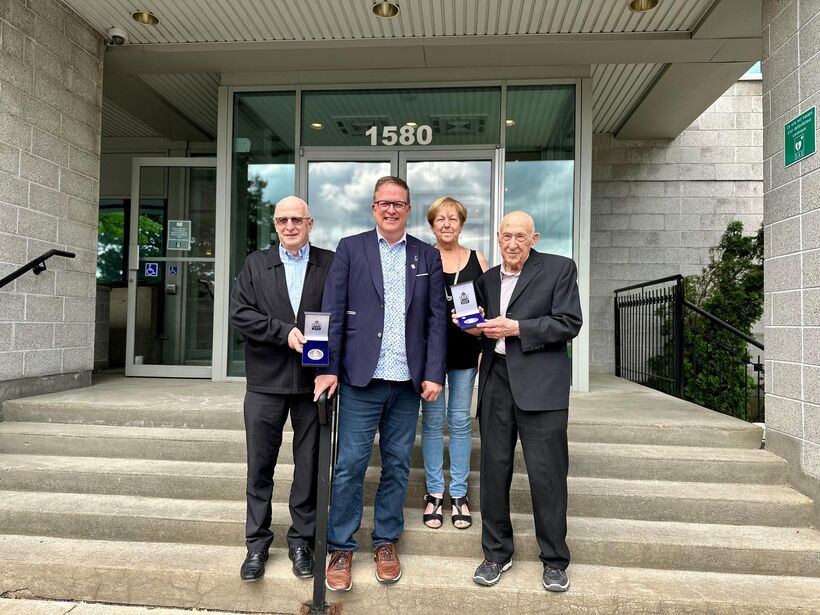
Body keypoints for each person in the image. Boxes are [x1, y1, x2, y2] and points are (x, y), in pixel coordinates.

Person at [314, 176, 447, 592]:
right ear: (374, 208)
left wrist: (433, 372)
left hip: (407, 382)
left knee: (398, 465)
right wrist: (328, 366)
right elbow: (331, 310)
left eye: (399, 204)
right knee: (350, 464)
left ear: (408, 209)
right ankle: (341, 546)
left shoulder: (427, 256)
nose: (391, 210)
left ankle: (386, 541)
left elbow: (436, 319)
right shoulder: (351, 248)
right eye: (384, 203)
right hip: (360, 378)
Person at [463, 211, 582, 592]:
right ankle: (496, 553)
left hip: (541, 385)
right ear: (497, 238)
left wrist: (517, 328)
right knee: (494, 473)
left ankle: (554, 560)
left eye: (520, 237)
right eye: (506, 237)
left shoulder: (559, 269)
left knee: (547, 475)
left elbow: (569, 323)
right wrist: (467, 325)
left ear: (534, 238)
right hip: (496, 380)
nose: (512, 244)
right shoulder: (485, 279)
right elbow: (478, 327)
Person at [229, 196, 334, 582]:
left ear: (310, 223)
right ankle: (256, 545)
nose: (290, 226)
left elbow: (342, 314)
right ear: (275, 225)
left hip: (313, 382)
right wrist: (283, 332)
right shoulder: (256, 263)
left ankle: (301, 542)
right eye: (282, 220)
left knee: (308, 467)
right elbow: (240, 314)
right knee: (260, 467)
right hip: (265, 383)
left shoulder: (330, 262)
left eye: (297, 219)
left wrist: (333, 366)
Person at [421, 196, 487, 530]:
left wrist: (484, 335)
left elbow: (492, 303)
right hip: (430, 357)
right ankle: (434, 492)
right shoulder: (421, 256)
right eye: (440, 219)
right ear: (432, 224)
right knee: (432, 424)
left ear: (461, 223)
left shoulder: (477, 258)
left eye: (453, 218)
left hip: (465, 353)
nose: (447, 224)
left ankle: (459, 494)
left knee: (460, 422)